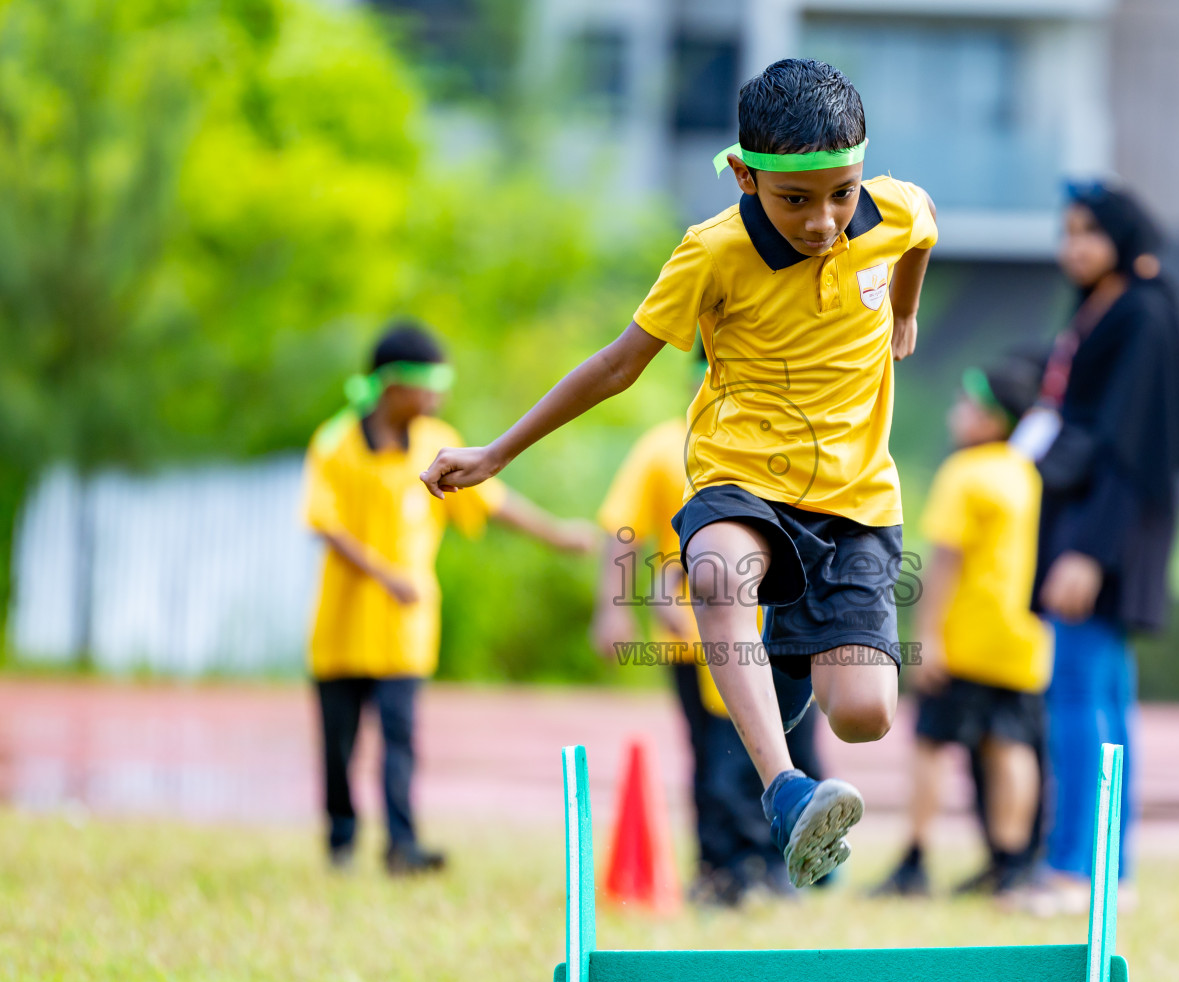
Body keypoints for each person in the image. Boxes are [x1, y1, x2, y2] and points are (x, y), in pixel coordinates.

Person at [421, 58, 937, 887]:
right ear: (745, 175)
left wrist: (904, 308)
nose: (822, 222)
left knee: (867, 715)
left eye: (841, 193)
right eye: (794, 200)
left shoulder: (894, 211)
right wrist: (496, 452)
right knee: (715, 570)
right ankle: (784, 791)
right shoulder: (711, 253)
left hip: (855, 501)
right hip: (741, 474)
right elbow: (617, 366)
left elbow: (924, 231)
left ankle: (791, 662)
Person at [303, 322, 596, 875]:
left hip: (404, 632)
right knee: (338, 746)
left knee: (400, 742)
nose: (437, 397)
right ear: (393, 386)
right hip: (342, 629)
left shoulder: (435, 442)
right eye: (428, 385)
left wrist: (556, 533)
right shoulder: (335, 443)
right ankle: (341, 841)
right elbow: (325, 524)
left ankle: (402, 846)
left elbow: (491, 501)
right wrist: (386, 575)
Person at [1012, 181, 1179, 908]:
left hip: (1105, 530)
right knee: (1103, 697)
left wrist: (1089, 551)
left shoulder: (1144, 314)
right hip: (1089, 521)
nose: (1073, 247)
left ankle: (1073, 870)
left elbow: (1133, 445)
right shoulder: (1100, 308)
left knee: (1080, 700)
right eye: (1067, 232)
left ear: (1123, 235)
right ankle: (1106, 873)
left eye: (1088, 232)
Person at [590, 393, 825, 904]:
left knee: (780, 751)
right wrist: (618, 605)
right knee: (712, 759)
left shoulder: (782, 440)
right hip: (691, 635)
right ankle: (721, 869)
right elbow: (623, 527)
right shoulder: (665, 447)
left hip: (776, 630)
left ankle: (775, 865)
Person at [874, 360, 1053, 905]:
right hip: (1022, 637)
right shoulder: (1025, 472)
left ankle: (915, 858)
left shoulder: (964, 474)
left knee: (930, 742)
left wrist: (927, 636)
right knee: (1011, 743)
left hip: (968, 637)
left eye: (968, 404)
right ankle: (1010, 862)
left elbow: (946, 561)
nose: (958, 411)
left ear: (992, 420)